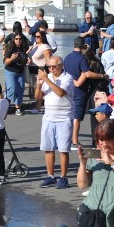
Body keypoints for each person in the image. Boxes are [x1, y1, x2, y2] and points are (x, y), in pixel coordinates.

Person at [38, 56, 74, 189]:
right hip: (48, 117)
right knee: (48, 148)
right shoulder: (47, 78)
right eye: (49, 67)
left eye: (54, 66)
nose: (51, 69)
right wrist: (39, 84)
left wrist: (46, 78)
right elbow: (38, 97)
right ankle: (50, 175)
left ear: (61, 65)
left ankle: (63, 177)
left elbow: (60, 92)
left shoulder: (67, 78)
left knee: (63, 149)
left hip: (64, 118)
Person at [64, 37, 95, 147]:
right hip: (79, 90)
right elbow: (87, 73)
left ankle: (67, 137)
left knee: (69, 114)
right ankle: (75, 140)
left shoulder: (67, 57)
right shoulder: (82, 59)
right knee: (77, 116)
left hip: (68, 88)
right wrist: (102, 76)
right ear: (83, 46)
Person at [3, 32, 28, 115]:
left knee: (20, 90)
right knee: (12, 90)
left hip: (20, 72)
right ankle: (6, 102)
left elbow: (24, 59)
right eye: (16, 39)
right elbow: (6, 62)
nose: (18, 40)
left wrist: (28, 61)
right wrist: (12, 59)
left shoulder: (24, 48)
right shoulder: (10, 48)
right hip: (10, 71)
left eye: (20, 39)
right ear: (13, 40)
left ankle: (18, 108)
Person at [27, 31, 53, 107]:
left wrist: (49, 72)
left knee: (40, 88)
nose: (36, 38)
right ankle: (37, 105)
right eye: (35, 36)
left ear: (43, 37)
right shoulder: (35, 46)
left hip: (41, 69)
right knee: (34, 89)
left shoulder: (45, 47)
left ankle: (38, 107)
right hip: (32, 69)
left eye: (38, 36)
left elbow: (48, 60)